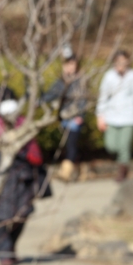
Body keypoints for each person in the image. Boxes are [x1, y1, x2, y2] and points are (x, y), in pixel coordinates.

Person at [0, 98, 46, 265]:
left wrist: (22, 152)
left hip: (22, 180)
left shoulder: (24, 124)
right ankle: (4, 254)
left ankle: (9, 249)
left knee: (21, 216)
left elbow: (36, 156)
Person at [96, 51, 133, 182]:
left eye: (123, 62)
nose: (121, 65)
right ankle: (122, 164)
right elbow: (103, 97)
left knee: (124, 146)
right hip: (111, 117)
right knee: (111, 145)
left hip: (128, 117)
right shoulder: (108, 76)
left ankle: (122, 173)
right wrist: (100, 115)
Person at [42, 45, 89, 182]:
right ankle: (77, 170)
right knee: (67, 145)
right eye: (67, 64)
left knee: (71, 145)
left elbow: (84, 100)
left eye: (72, 64)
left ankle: (66, 173)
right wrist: (38, 99)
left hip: (75, 118)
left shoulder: (80, 81)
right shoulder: (60, 81)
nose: (70, 67)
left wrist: (81, 116)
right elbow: (51, 94)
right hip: (63, 118)